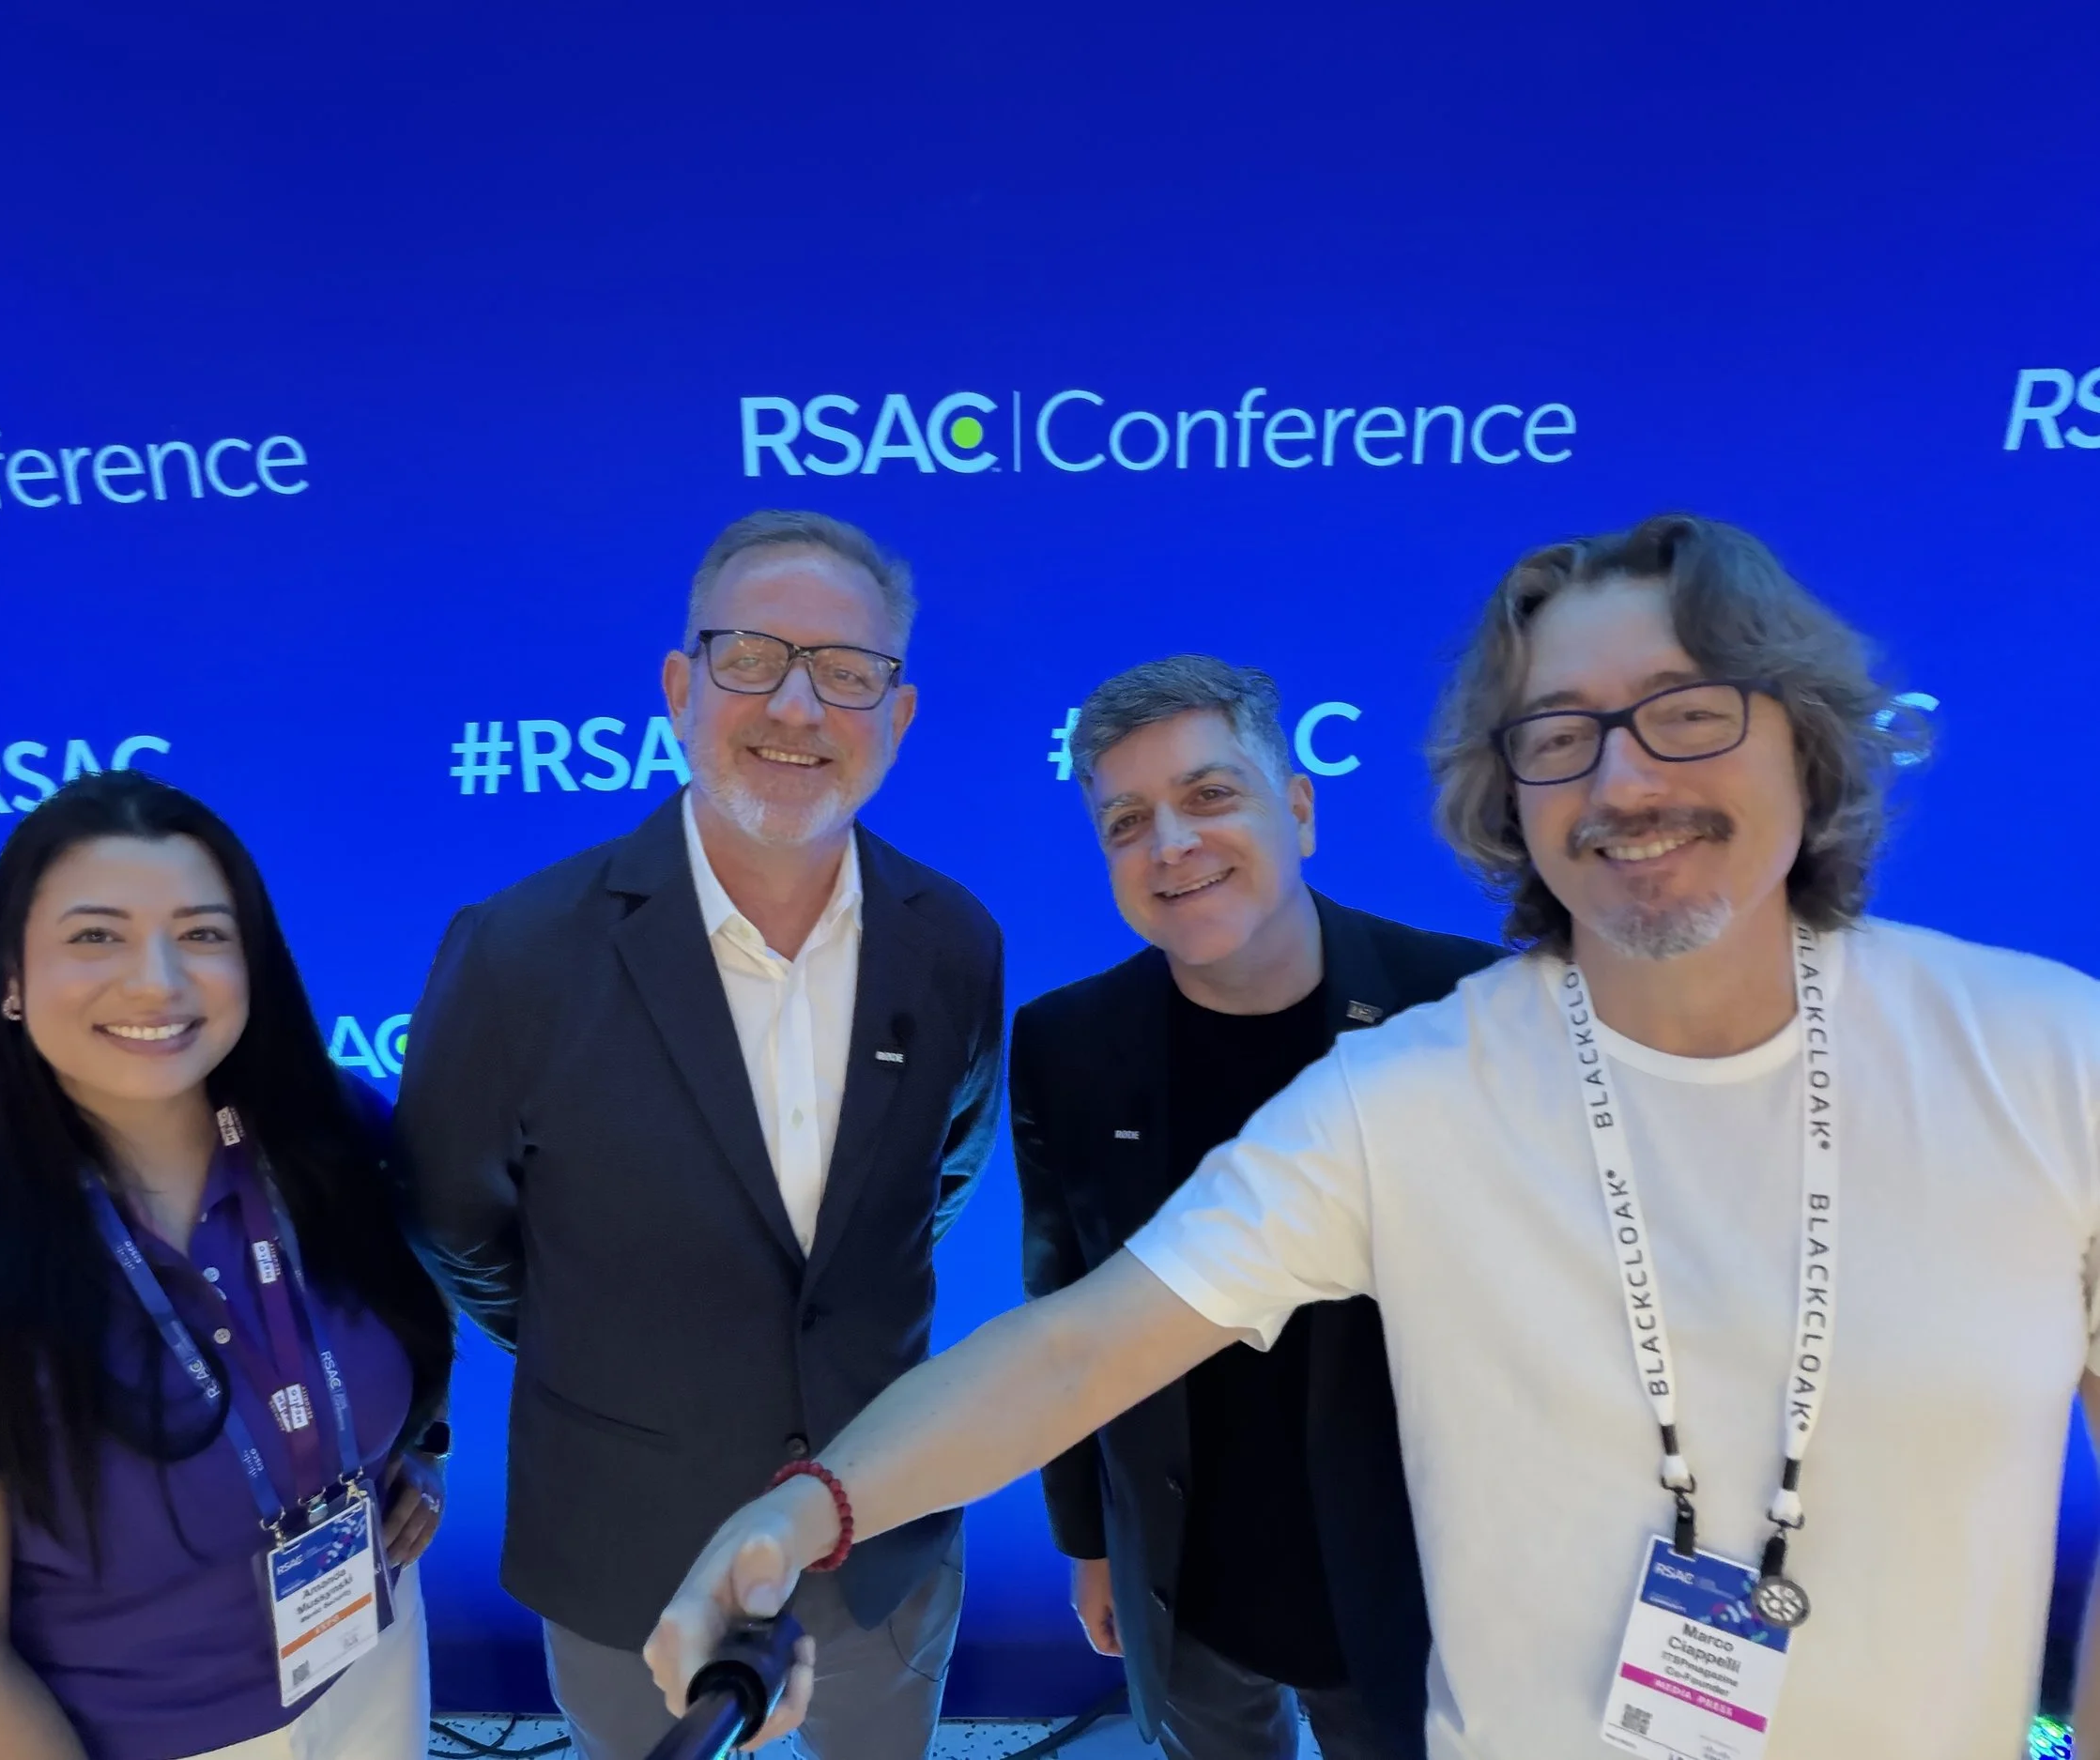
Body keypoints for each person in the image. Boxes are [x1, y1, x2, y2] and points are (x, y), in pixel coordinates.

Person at [644, 513, 2100, 1760]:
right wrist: (801, 1511)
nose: (1623, 779)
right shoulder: (1407, 1090)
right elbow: (1078, 1346)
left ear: (1807, 735)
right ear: (1507, 789)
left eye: (1686, 709)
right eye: (1559, 735)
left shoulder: (2053, 1056)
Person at [397, 509, 1003, 1760]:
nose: (797, 705)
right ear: (681, 688)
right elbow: (455, 1222)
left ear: (898, 717)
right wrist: (618, 1346)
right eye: (752, 657)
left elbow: (936, 1180)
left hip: (881, 1538)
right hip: (628, 1544)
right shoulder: (516, 952)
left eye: (847, 672)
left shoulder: (955, 941)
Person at [0, 771, 454, 1760]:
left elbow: (419, 1306)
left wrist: (418, 1447)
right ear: (9, 979)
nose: (157, 980)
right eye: (96, 936)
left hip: (376, 1665)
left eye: (202, 933)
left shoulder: (329, 1132)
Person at [1016, 656, 1496, 1760]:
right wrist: (1092, 1540)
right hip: (1188, 1579)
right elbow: (1062, 1307)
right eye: (1125, 821)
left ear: (1300, 809)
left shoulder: (1467, 1007)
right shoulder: (1064, 1044)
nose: (1170, 843)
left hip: (1416, 1587)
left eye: (1209, 794)